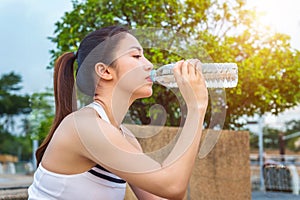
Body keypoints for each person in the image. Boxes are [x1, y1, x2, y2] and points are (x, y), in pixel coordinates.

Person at [28, 25, 208, 200]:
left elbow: (162, 195)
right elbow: (173, 187)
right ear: (105, 71)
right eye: (136, 55)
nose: (149, 64)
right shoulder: (84, 126)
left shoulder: (125, 137)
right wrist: (195, 108)